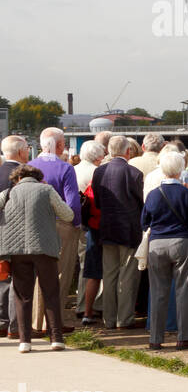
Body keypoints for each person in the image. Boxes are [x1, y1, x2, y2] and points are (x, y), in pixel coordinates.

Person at [0, 164, 74, 353]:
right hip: (44, 248)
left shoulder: (7, 193)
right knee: (50, 292)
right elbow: (68, 214)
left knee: (22, 295)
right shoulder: (46, 190)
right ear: (39, 178)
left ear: (17, 178)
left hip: (16, 250)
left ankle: (24, 341)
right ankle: (56, 339)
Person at [141, 149, 188, 350]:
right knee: (186, 289)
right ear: (180, 170)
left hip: (157, 243)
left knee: (158, 291)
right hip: (182, 242)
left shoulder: (152, 195)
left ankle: (155, 338)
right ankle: (185, 337)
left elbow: (144, 222)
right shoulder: (187, 194)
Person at [28, 129, 82, 334]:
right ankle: (54, 322)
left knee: (37, 275)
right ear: (59, 146)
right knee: (61, 274)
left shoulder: (29, 167)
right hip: (61, 225)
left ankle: (35, 321)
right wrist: (76, 224)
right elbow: (73, 202)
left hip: (34, 226)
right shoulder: (66, 168)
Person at [91, 135, 145, 330]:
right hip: (129, 229)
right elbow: (141, 203)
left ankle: (109, 318)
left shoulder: (99, 172)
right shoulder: (134, 173)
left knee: (110, 274)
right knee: (128, 276)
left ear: (108, 151)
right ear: (128, 151)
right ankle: (125, 318)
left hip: (107, 227)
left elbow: (97, 201)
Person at [0, 135, 32, 339]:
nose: (28, 153)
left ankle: (1, 323)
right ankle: (14, 326)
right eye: (28, 149)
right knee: (16, 280)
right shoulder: (22, 175)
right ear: (21, 152)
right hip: (15, 233)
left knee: (2, 278)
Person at [75, 140, 107, 326]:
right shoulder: (96, 173)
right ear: (98, 157)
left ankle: (81, 304)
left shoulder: (73, 169)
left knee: (83, 265)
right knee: (94, 267)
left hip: (79, 221)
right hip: (94, 224)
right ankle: (95, 304)